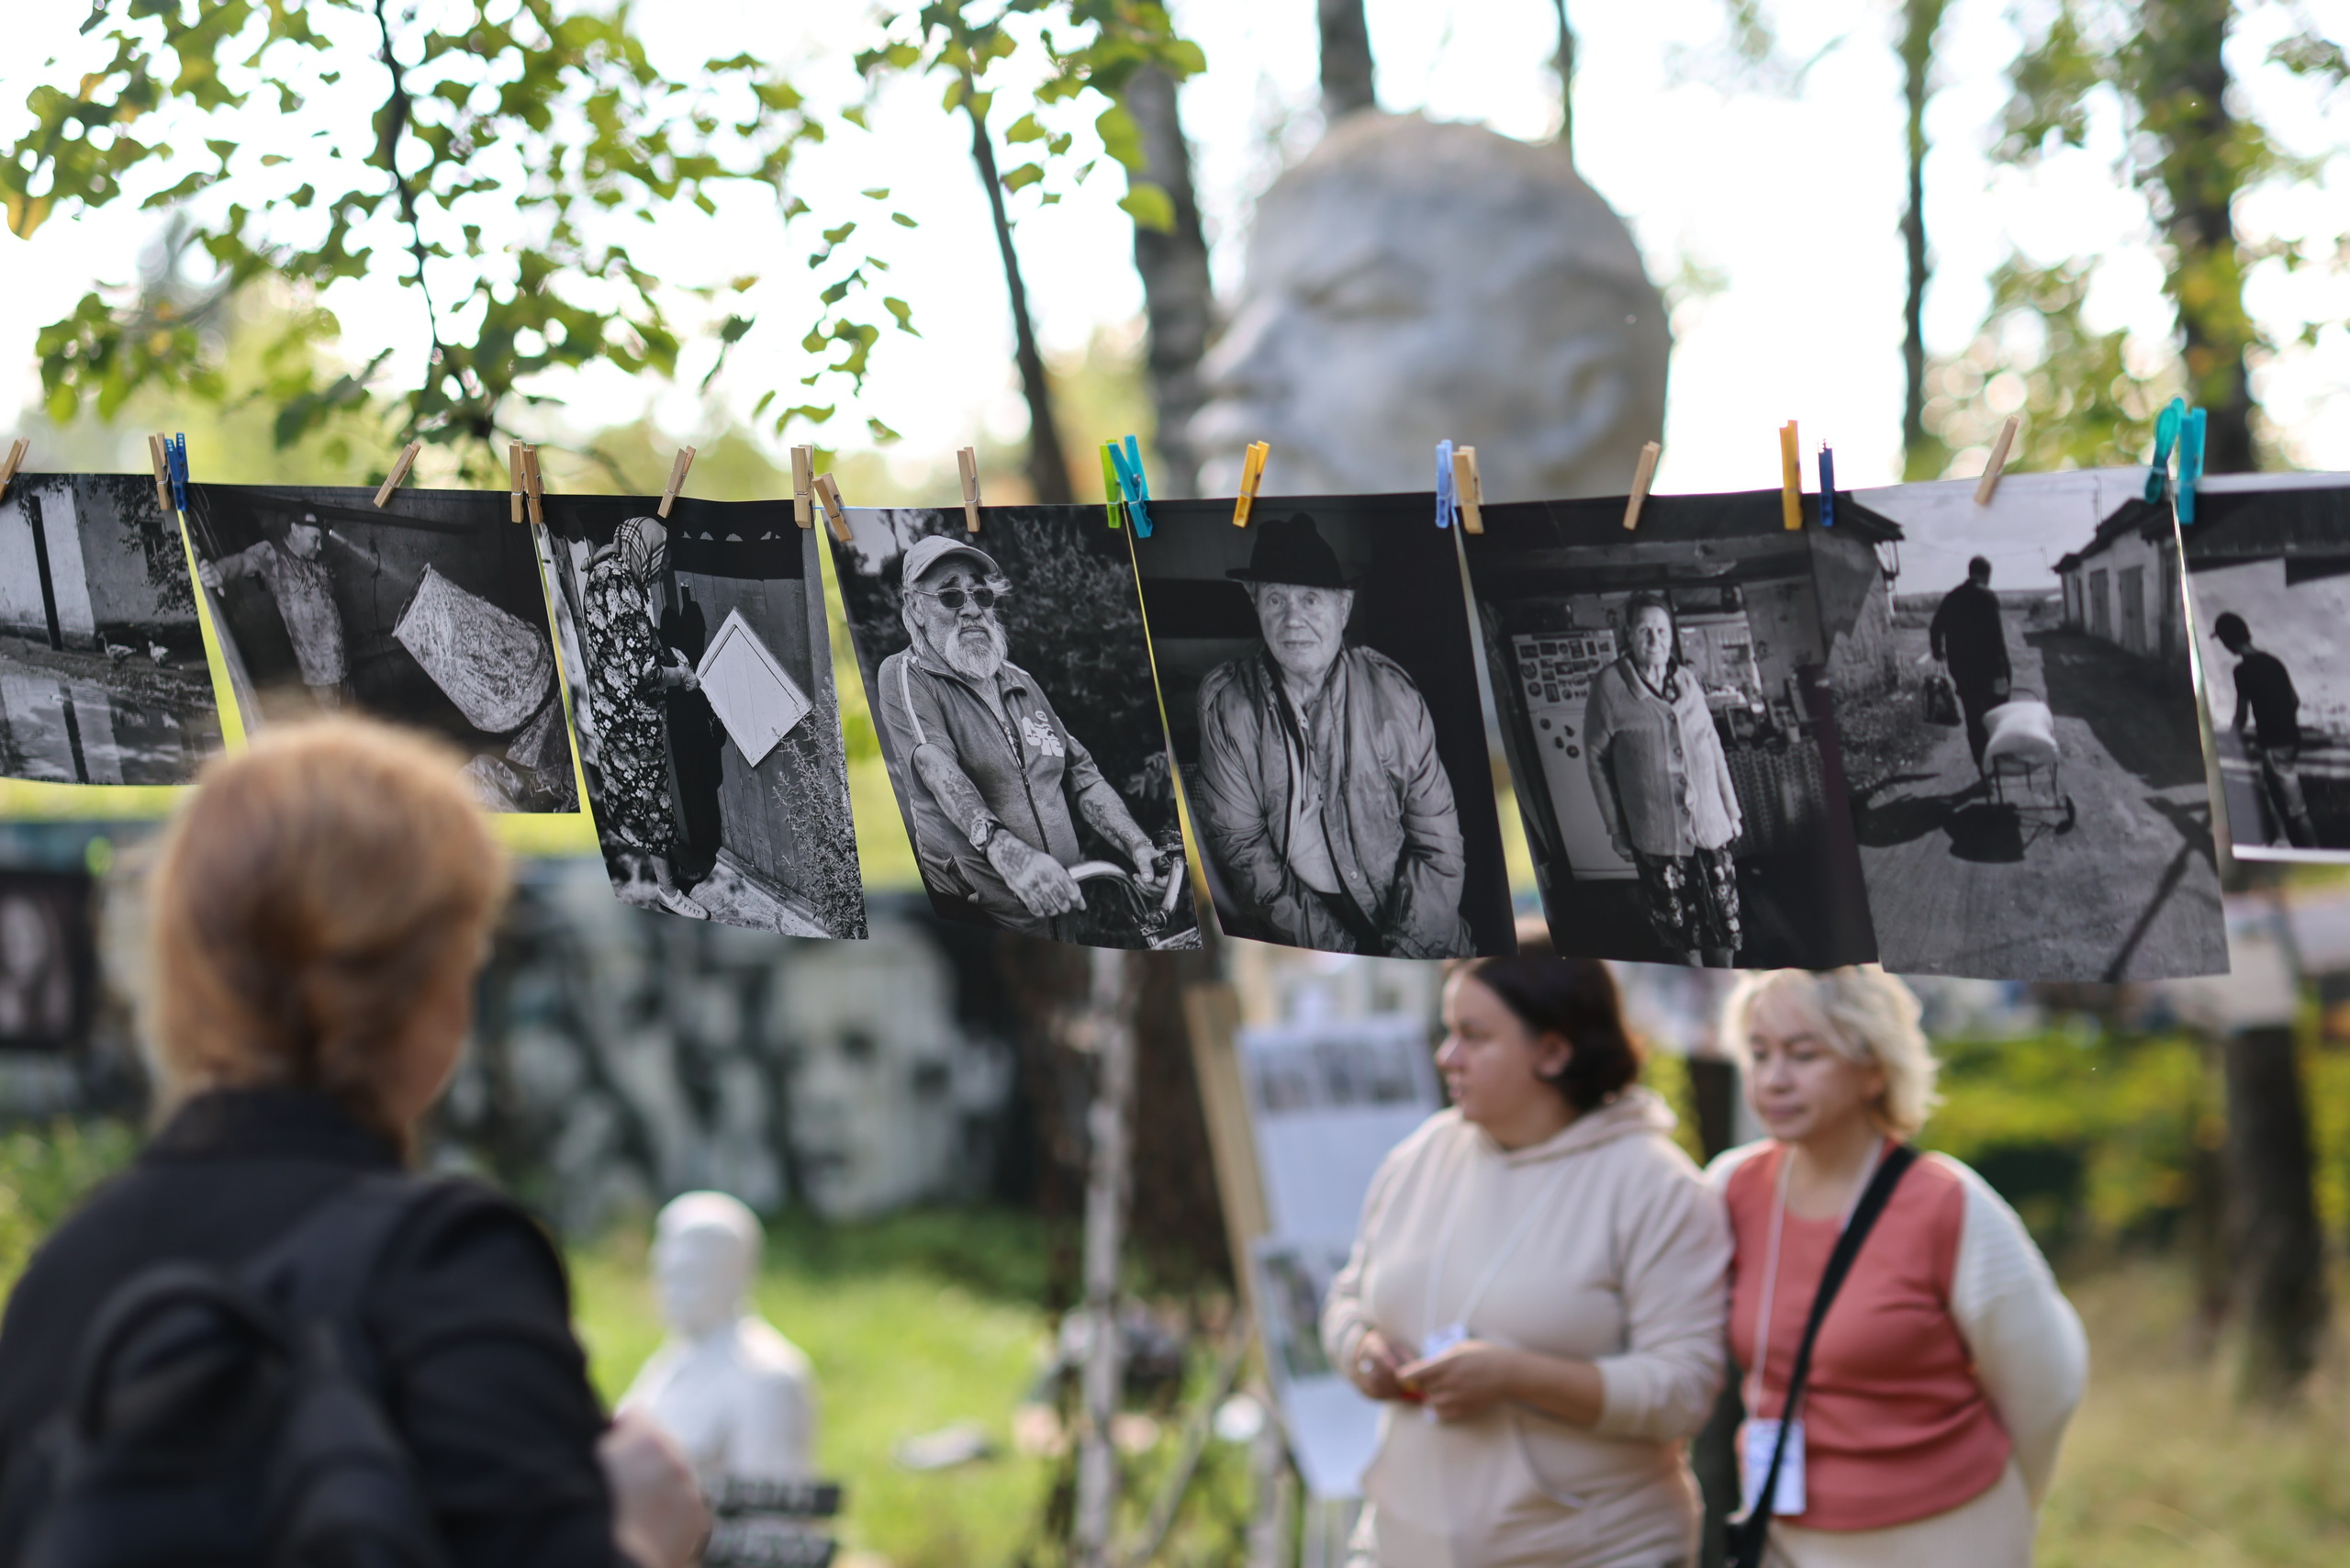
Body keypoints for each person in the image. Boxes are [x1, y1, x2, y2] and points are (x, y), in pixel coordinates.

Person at [0, 718, 710, 1568]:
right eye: (469, 950)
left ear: (181, 972)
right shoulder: (446, 1263)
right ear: (433, 984)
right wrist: (640, 1539)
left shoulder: (58, 1282)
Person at [1323, 955, 1729, 1567]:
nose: (1447, 1056)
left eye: (1474, 1036)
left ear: (1554, 1052)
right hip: (1400, 1547)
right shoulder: (1422, 1155)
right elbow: (1347, 1298)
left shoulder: (1655, 1185)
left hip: (1595, 1553)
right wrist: (1362, 1351)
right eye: (1449, 1031)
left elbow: (1683, 1391)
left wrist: (1517, 1377)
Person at [1709, 969, 2087, 1568]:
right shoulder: (1731, 1187)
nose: (1774, 1078)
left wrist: (2009, 1493)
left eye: (1804, 1055)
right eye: (1759, 1054)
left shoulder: (1949, 1204)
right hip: (1784, 1539)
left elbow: (2048, 1384)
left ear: (1874, 1069)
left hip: (1949, 1537)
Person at [1192, 514, 1472, 958]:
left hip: (1416, 922)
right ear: (1255, 603)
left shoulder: (1393, 695)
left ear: (1343, 608)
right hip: (1295, 932)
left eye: (1310, 599)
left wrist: (1406, 949)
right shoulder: (1226, 705)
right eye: (1276, 600)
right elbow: (1243, 850)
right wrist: (1338, 949)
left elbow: (1439, 847)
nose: (1293, 620)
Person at [874, 534, 1169, 941]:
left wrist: (1137, 845)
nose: (972, 609)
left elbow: (1083, 776)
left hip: (1063, 910)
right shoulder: (905, 674)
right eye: (951, 596)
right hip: (982, 923)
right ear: (915, 607)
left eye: (981, 594)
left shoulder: (1021, 681)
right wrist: (1007, 851)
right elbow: (935, 765)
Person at [1583, 593, 1745, 968]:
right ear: (1628, 633)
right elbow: (1596, 760)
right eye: (1644, 630)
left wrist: (1732, 811)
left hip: (1710, 828)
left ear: (1671, 634)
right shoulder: (1609, 686)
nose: (1654, 639)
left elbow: (1713, 747)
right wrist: (1616, 829)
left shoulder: (1687, 681)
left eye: (1661, 629)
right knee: (1681, 934)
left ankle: (1724, 986)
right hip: (1657, 837)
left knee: (1725, 924)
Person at [621, 1193, 817, 1486]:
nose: (671, 1291)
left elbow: (772, 1507)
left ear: (736, 1274)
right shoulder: (667, 1363)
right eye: (665, 1272)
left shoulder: (766, 1379)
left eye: (690, 1275)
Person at [584, 516, 708, 919]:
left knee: (642, 802)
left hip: (611, 715)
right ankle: (669, 893)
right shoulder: (622, 588)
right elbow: (644, 673)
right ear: (645, 551)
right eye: (662, 556)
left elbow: (624, 645)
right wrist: (681, 676)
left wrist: (664, 651)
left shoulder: (603, 572)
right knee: (652, 805)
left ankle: (668, 867)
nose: (664, 566)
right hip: (632, 723)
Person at [199, 510, 351, 711]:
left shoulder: (314, 562)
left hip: (343, 668)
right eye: (315, 539)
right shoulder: (274, 557)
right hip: (320, 678)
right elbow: (244, 562)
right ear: (295, 529)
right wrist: (219, 571)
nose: (319, 546)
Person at [2213, 610, 2317, 847]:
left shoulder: (2241, 671)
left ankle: (2316, 851)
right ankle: (2281, 839)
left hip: (2275, 745)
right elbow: (2294, 701)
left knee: (2296, 809)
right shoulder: (2274, 661)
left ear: (2228, 642)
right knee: (2268, 785)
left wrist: (2230, 740)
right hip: (2291, 739)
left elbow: (2242, 716)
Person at [1930, 555, 2011, 770]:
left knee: (1974, 720)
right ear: (1987, 575)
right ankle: (1997, 761)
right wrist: (2002, 672)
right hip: (1990, 672)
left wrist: (1938, 652)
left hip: (1962, 672)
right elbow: (1996, 637)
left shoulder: (1952, 597)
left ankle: (1983, 766)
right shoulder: (1987, 597)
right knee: (1996, 717)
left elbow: (1935, 627)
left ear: (1970, 572)